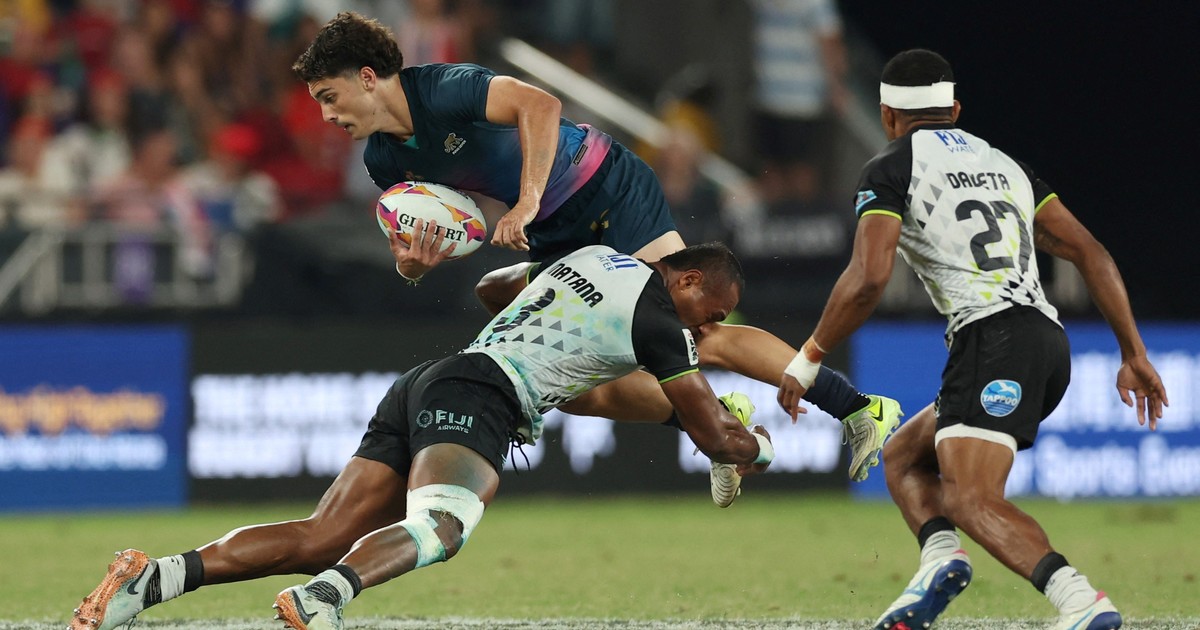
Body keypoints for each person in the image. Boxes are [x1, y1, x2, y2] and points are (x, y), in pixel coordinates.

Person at [290, 12, 902, 503]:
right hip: (553, 230)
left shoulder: (442, 88)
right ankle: (720, 417)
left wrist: (527, 199)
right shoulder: (384, 161)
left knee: (699, 334)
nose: (326, 114)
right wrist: (414, 265)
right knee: (553, 367)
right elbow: (419, 241)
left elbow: (541, 107)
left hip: (604, 187)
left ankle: (857, 407)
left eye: (329, 95)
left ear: (367, 77)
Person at [69, 242, 776, 630]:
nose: (708, 328)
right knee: (442, 525)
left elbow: (492, 289)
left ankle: (152, 578)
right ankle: (326, 598)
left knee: (322, 533)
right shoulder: (659, 322)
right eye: (711, 312)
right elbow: (715, 436)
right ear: (687, 278)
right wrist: (756, 446)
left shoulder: (594, 257)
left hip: (429, 379)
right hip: (483, 395)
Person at [775, 49, 1168, 630]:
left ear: (887, 116)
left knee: (969, 498)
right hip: (1046, 341)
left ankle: (1081, 602)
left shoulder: (888, 168)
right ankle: (941, 559)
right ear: (954, 110)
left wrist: (809, 357)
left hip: (993, 338)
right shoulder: (1008, 166)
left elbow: (869, 277)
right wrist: (1133, 352)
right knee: (904, 456)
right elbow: (1090, 252)